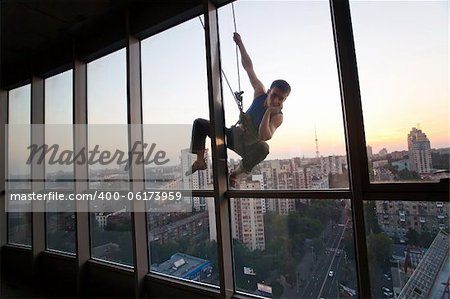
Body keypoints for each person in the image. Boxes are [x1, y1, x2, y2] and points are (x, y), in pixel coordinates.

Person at [186, 32, 291, 187]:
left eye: (281, 98)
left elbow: (264, 136)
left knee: (264, 148)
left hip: (249, 146)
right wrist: (240, 44)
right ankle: (200, 162)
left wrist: (268, 111)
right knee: (200, 124)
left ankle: (235, 174)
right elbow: (249, 67)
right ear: (269, 91)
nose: (276, 100)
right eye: (274, 95)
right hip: (234, 136)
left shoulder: (278, 117)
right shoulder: (259, 92)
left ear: (284, 100)